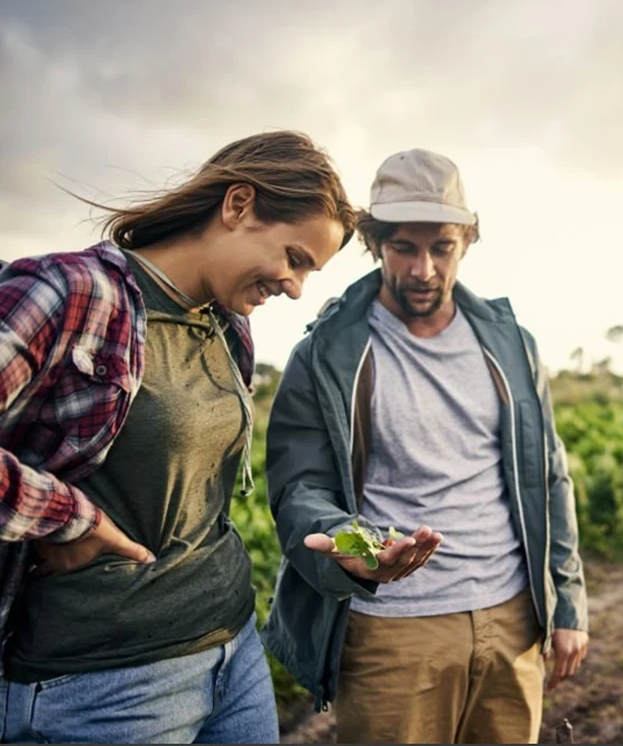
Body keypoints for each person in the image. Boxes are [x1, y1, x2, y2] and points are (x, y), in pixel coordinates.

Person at [0, 130, 356, 744]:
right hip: (98, 688)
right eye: (295, 258)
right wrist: (66, 516)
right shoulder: (69, 292)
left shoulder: (230, 329)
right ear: (238, 205)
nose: (296, 286)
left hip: (233, 654)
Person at [261, 148, 589, 744]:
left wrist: (565, 604)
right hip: (391, 629)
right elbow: (298, 487)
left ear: (466, 241)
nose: (423, 270)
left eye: (441, 248)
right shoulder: (325, 353)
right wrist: (350, 546)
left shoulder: (511, 343)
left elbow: (550, 475)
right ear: (374, 243)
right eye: (404, 248)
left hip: (512, 616)